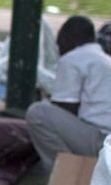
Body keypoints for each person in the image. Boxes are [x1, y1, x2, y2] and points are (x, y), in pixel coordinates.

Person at [26, 15, 111, 171]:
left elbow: (66, 109)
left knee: (37, 113)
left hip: (102, 142)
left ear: (67, 39)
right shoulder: (104, 59)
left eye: (59, 45)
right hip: (105, 139)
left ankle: (63, 174)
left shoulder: (73, 58)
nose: (59, 51)